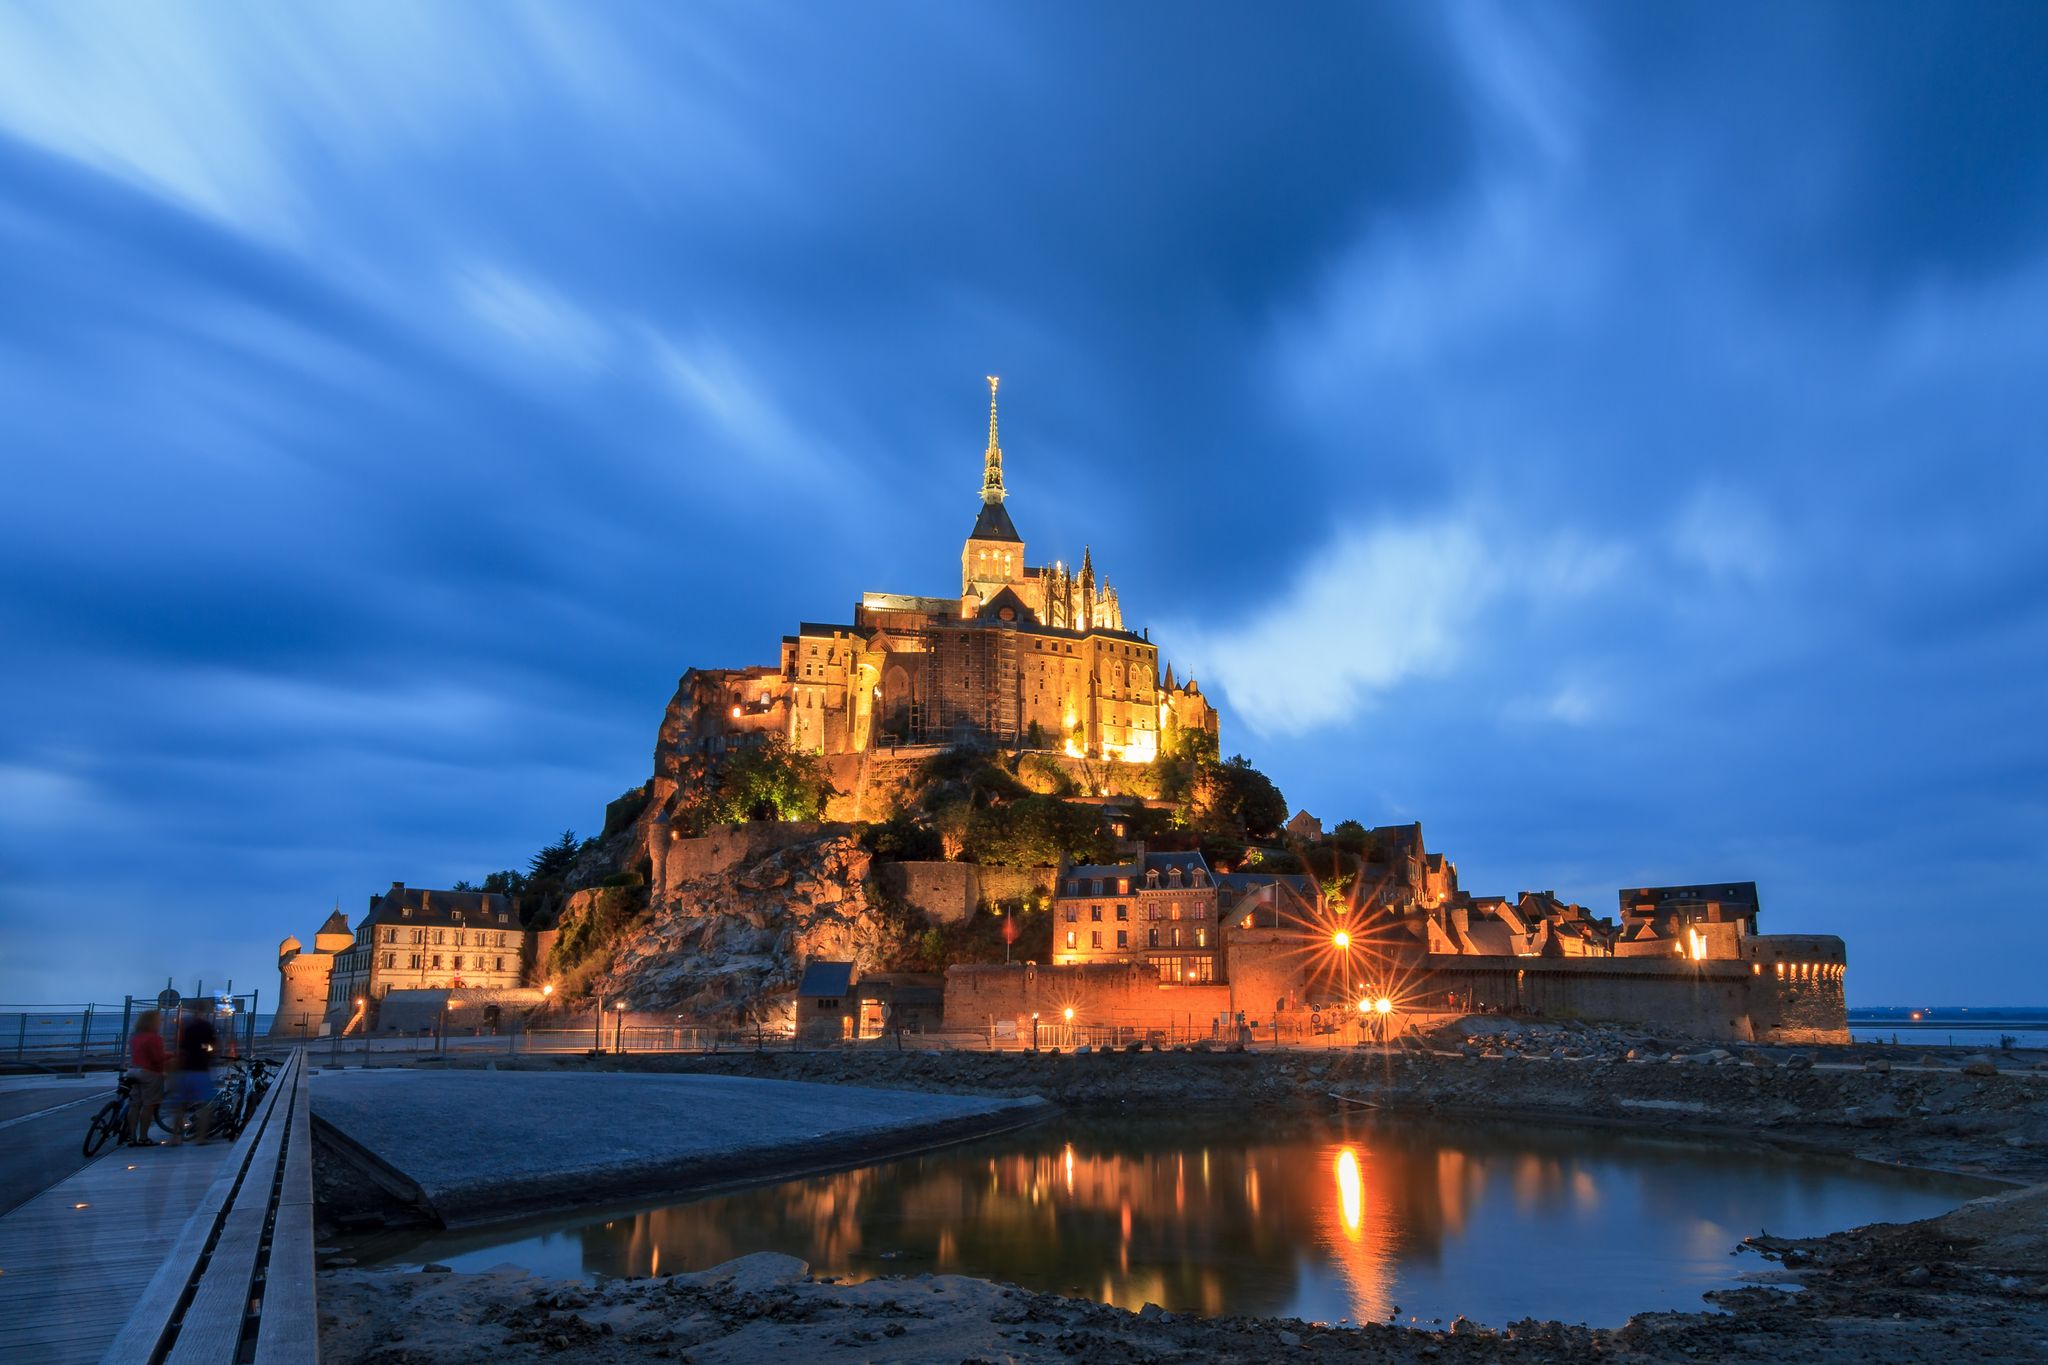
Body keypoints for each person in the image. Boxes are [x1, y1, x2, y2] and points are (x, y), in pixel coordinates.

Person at [165, 1002, 219, 1145]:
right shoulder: (206, 1027)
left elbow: (180, 1048)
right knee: (204, 1105)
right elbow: (212, 1046)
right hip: (200, 1070)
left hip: (184, 1070)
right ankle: (200, 1137)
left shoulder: (186, 1027)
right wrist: (207, 1051)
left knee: (180, 1106)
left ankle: (175, 1137)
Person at [124, 1010, 166, 1146]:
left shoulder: (134, 1036)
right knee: (148, 1105)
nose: (160, 1022)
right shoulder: (154, 1037)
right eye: (159, 1020)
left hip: (132, 1071)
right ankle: (143, 1137)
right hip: (149, 1073)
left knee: (134, 1105)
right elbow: (156, 1058)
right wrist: (171, 1056)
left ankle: (131, 1137)